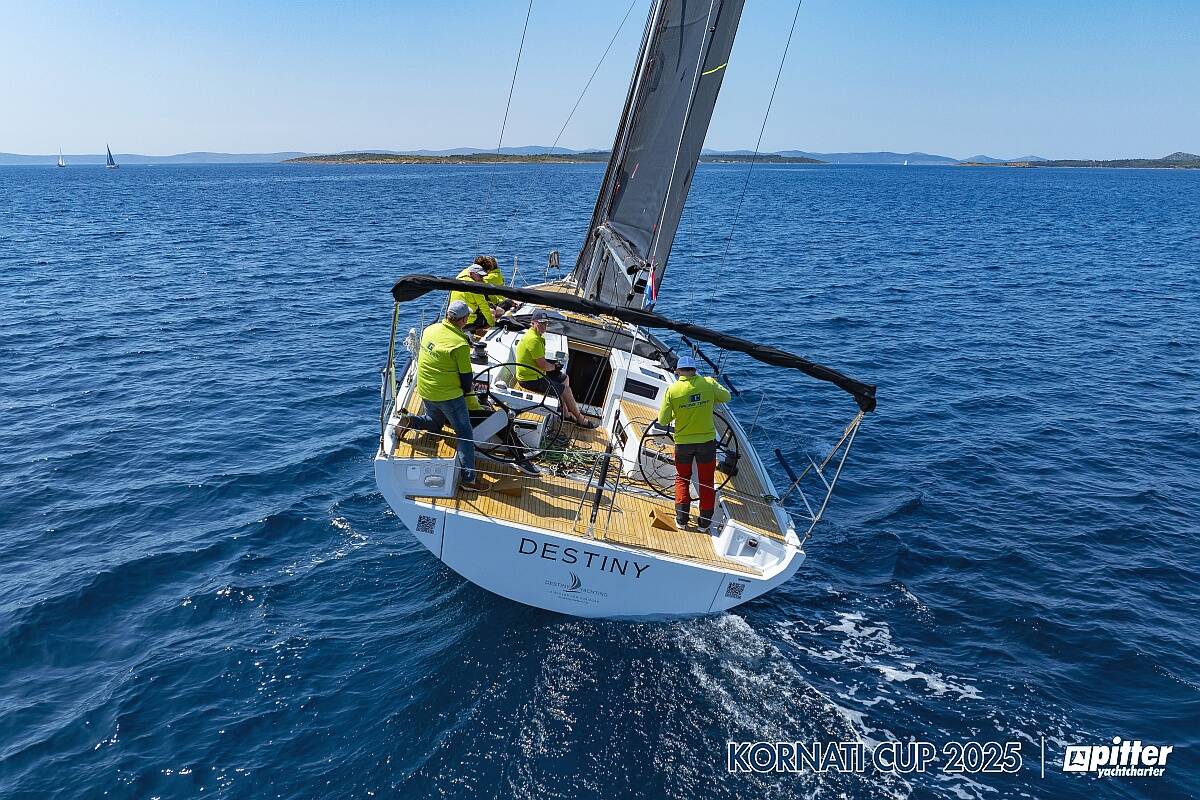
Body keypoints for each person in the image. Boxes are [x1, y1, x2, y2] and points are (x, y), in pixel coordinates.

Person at [397, 300, 486, 491]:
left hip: (425, 389)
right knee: (464, 433)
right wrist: (468, 394)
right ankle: (469, 479)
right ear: (463, 320)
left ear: (447, 316)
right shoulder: (460, 344)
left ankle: (409, 421)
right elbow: (466, 377)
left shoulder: (430, 330)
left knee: (434, 423)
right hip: (448, 396)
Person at [656, 355, 731, 531]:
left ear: (678, 371)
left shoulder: (673, 391)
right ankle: (704, 524)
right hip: (706, 444)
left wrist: (678, 412)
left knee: (682, 479)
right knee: (706, 482)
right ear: (694, 370)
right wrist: (710, 397)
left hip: (683, 444)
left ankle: (682, 520)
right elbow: (726, 397)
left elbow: (663, 419)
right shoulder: (708, 384)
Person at [514, 309, 596, 428]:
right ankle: (580, 419)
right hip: (529, 379)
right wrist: (554, 366)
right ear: (533, 322)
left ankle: (566, 414)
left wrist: (553, 365)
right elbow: (542, 365)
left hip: (535, 373)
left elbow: (539, 361)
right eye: (541, 323)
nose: (544, 326)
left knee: (564, 378)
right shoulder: (534, 340)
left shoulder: (534, 335)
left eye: (545, 323)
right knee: (566, 390)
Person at [449, 264, 495, 336]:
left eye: (483, 276)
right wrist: (492, 323)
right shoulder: (474, 287)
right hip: (467, 322)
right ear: (471, 274)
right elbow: (484, 306)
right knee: (492, 313)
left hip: (453, 320)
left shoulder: (458, 281)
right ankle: (478, 332)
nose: (482, 278)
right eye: (480, 276)